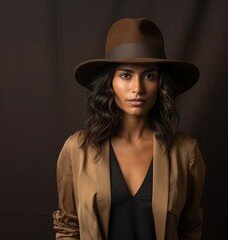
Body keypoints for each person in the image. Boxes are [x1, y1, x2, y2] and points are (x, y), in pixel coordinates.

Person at [53, 18, 205, 240]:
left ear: (160, 85)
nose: (138, 88)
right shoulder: (77, 149)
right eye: (126, 75)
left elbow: (190, 228)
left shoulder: (186, 151)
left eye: (149, 76)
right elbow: (67, 227)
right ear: (109, 83)